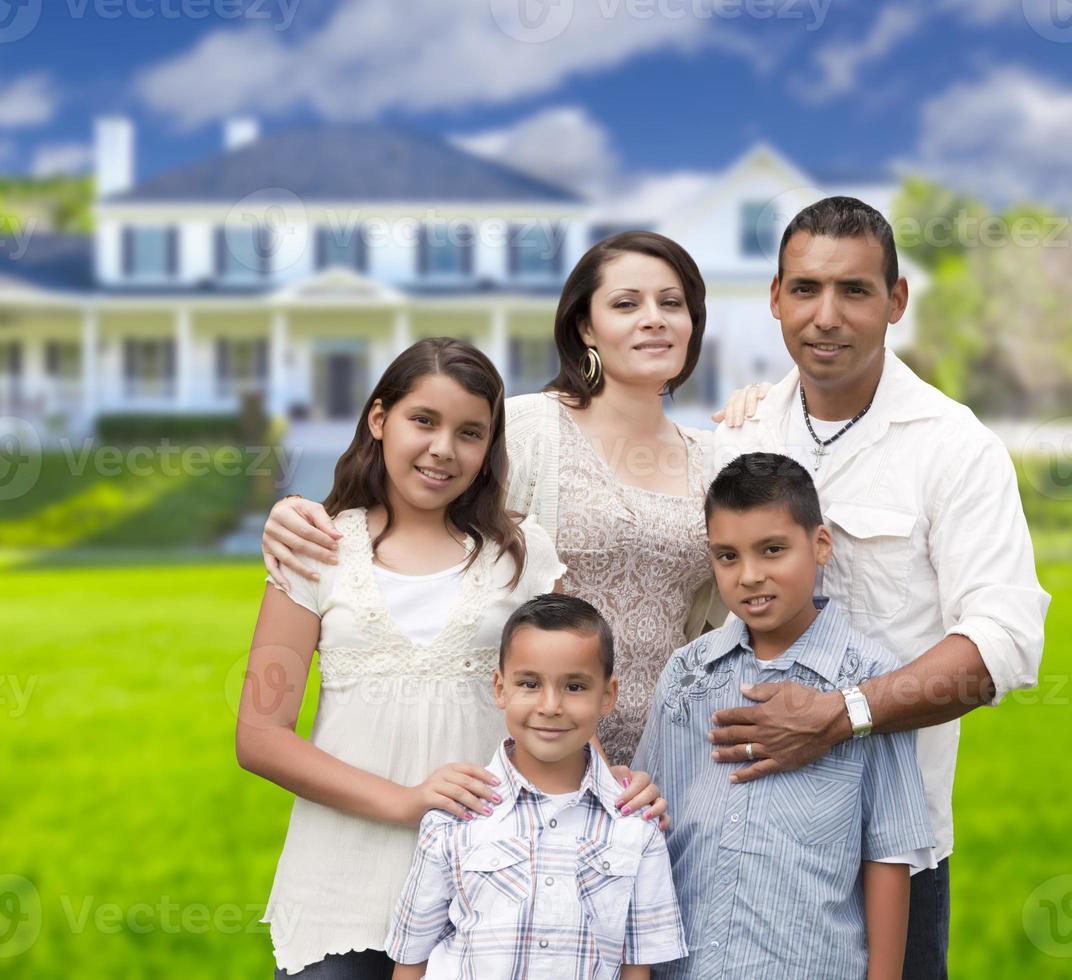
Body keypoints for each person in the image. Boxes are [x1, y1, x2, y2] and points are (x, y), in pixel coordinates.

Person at [236, 338, 663, 978]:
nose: (443, 449)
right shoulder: (318, 546)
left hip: (489, 895)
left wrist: (621, 793)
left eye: (470, 433)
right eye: (424, 421)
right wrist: (406, 800)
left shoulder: (519, 554)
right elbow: (259, 737)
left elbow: (557, 701)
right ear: (379, 420)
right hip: (340, 889)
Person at [704, 197, 1050, 978]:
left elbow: (1005, 642)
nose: (826, 316)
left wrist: (840, 716)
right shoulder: (740, 436)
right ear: (775, 298)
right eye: (805, 289)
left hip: (889, 848)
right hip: (740, 836)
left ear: (896, 301)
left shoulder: (955, 448)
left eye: (854, 291)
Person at [262, 231, 722, 768]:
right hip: (525, 754)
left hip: (672, 755)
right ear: (585, 327)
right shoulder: (527, 429)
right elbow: (420, 503)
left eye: (672, 303)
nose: (654, 319)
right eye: (626, 304)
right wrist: (298, 510)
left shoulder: (719, 457)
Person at [634, 452, 934, 979]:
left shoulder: (871, 681)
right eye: (727, 556)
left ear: (820, 545)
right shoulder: (687, 673)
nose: (749, 576)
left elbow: (887, 853)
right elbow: (645, 828)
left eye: (772, 550)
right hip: (686, 964)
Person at [386, 594, 687, 979]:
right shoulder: (454, 818)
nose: (550, 706)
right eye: (529, 683)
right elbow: (411, 959)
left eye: (575, 687)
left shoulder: (637, 826)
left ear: (607, 695)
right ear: (500, 689)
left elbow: (636, 968)